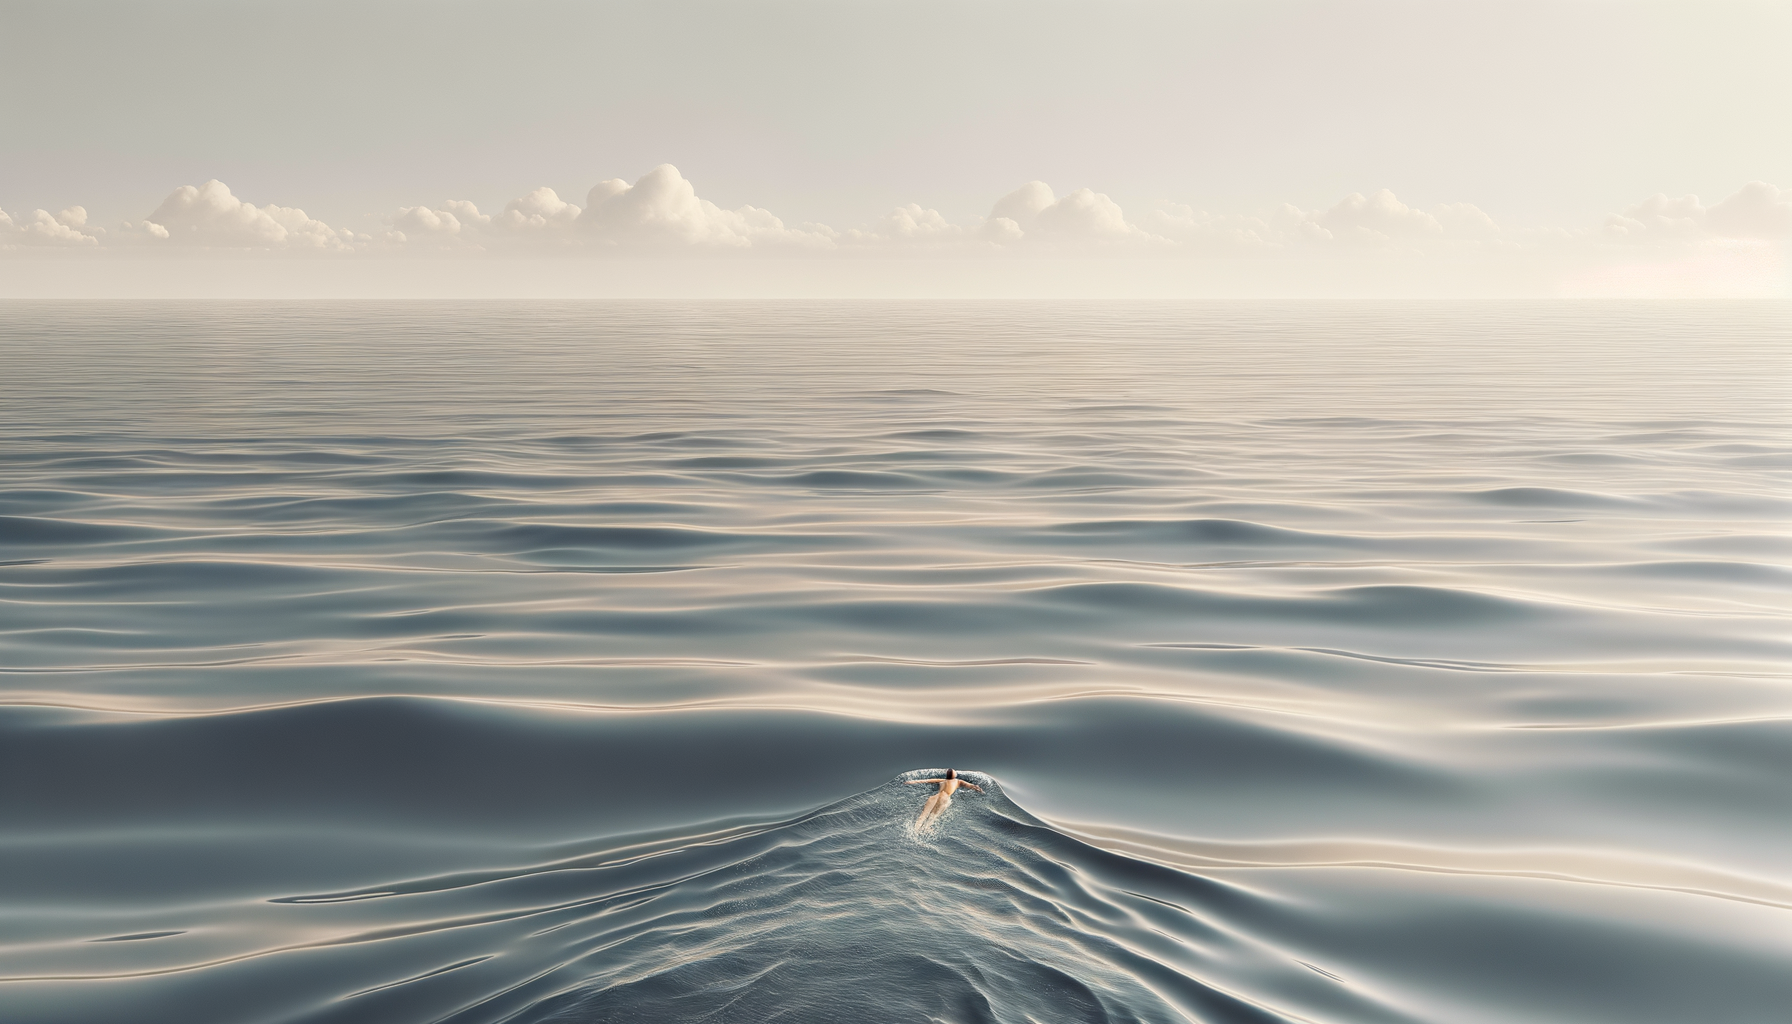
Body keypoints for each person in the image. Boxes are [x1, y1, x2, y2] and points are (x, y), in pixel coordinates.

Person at [906, 768, 982, 829]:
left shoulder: (942, 780)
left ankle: (915, 829)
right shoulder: (958, 781)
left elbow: (926, 781)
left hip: (935, 796)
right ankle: (925, 829)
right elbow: (971, 786)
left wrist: (912, 782)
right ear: (954, 775)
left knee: (923, 815)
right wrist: (978, 789)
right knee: (933, 817)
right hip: (944, 797)